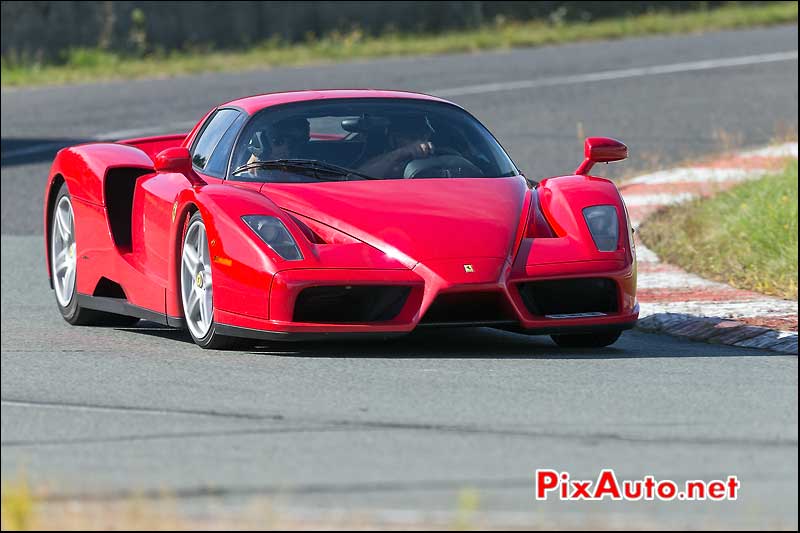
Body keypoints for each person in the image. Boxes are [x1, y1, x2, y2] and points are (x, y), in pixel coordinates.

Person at [358, 115, 436, 178]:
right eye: (412, 137)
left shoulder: (440, 157)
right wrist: (402, 153)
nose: (420, 142)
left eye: (424, 136)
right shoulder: (384, 160)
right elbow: (358, 177)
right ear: (393, 139)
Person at [246, 117, 310, 165]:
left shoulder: (310, 167)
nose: (286, 148)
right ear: (265, 144)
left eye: (294, 141)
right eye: (279, 141)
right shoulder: (252, 171)